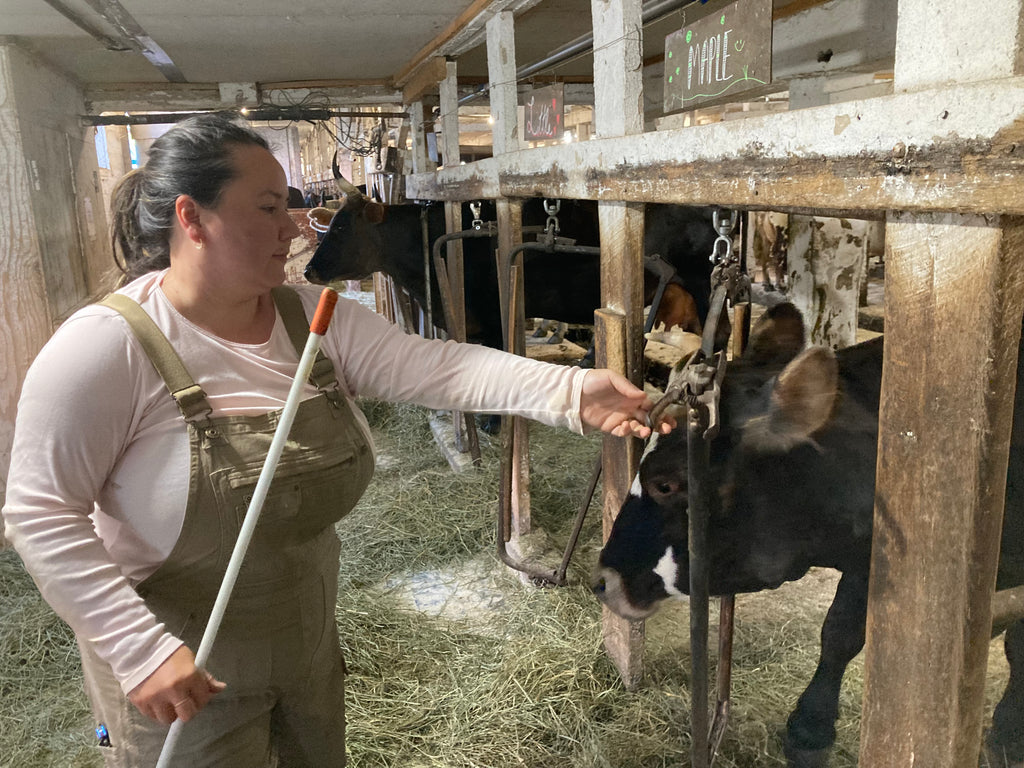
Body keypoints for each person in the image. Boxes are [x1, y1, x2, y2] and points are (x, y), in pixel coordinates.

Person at [1, 114, 673, 768]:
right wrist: (136, 648)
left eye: (289, 205)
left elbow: (438, 367)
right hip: (178, 662)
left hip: (305, 640)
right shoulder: (105, 348)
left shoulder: (311, 320)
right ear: (191, 218)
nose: (294, 226)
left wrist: (571, 392)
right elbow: (39, 511)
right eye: (268, 208)